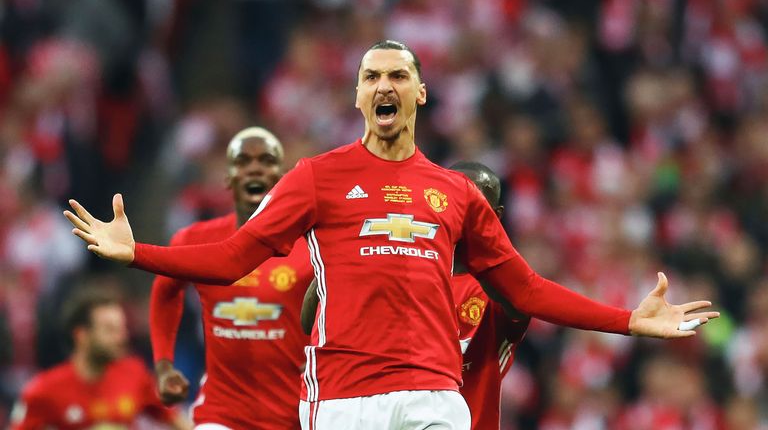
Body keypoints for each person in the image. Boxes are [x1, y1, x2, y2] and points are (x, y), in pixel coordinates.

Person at [64, 40, 719, 430]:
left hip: (435, 395)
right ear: (357, 96)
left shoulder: (456, 192)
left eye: (398, 75)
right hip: (346, 399)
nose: (385, 85)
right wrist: (138, 254)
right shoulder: (316, 178)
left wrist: (629, 320)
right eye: (372, 76)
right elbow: (236, 257)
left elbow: (524, 287)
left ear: (420, 94)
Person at [299, 160, 530, 430]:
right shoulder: (401, 269)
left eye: (477, 204)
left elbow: (523, 305)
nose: (466, 212)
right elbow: (308, 324)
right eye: (456, 198)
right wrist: (336, 264)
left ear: (496, 215)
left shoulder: (498, 290)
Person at [150, 126, 313, 429]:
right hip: (221, 413)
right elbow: (165, 291)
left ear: (283, 176)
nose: (254, 168)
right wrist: (163, 365)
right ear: (228, 177)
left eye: (266, 160)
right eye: (243, 161)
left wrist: (327, 353)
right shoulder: (196, 240)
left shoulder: (310, 244)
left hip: (297, 415)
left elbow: (348, 300)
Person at [10, 289, 191, 430]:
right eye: (110, 330)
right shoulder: (43, 390)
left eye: (121, 329)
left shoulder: (135, 373)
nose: (121, 337)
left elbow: (176, 419)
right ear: (81, 335)